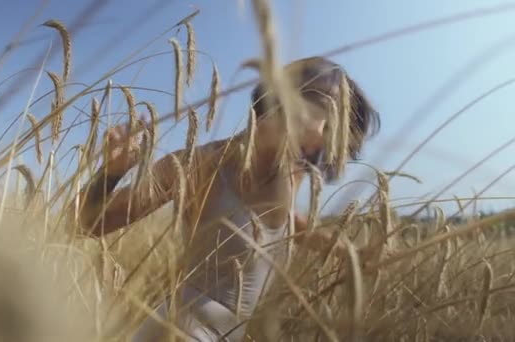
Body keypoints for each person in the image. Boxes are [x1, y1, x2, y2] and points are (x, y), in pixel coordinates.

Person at [76, 56, 381, 341]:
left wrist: (349, 253)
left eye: (331, 123)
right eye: (320, 110)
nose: (322, 130)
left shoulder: (294, 172)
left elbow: (288, 224)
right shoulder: (199, 165)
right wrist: (111, 173)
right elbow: (85, 226)